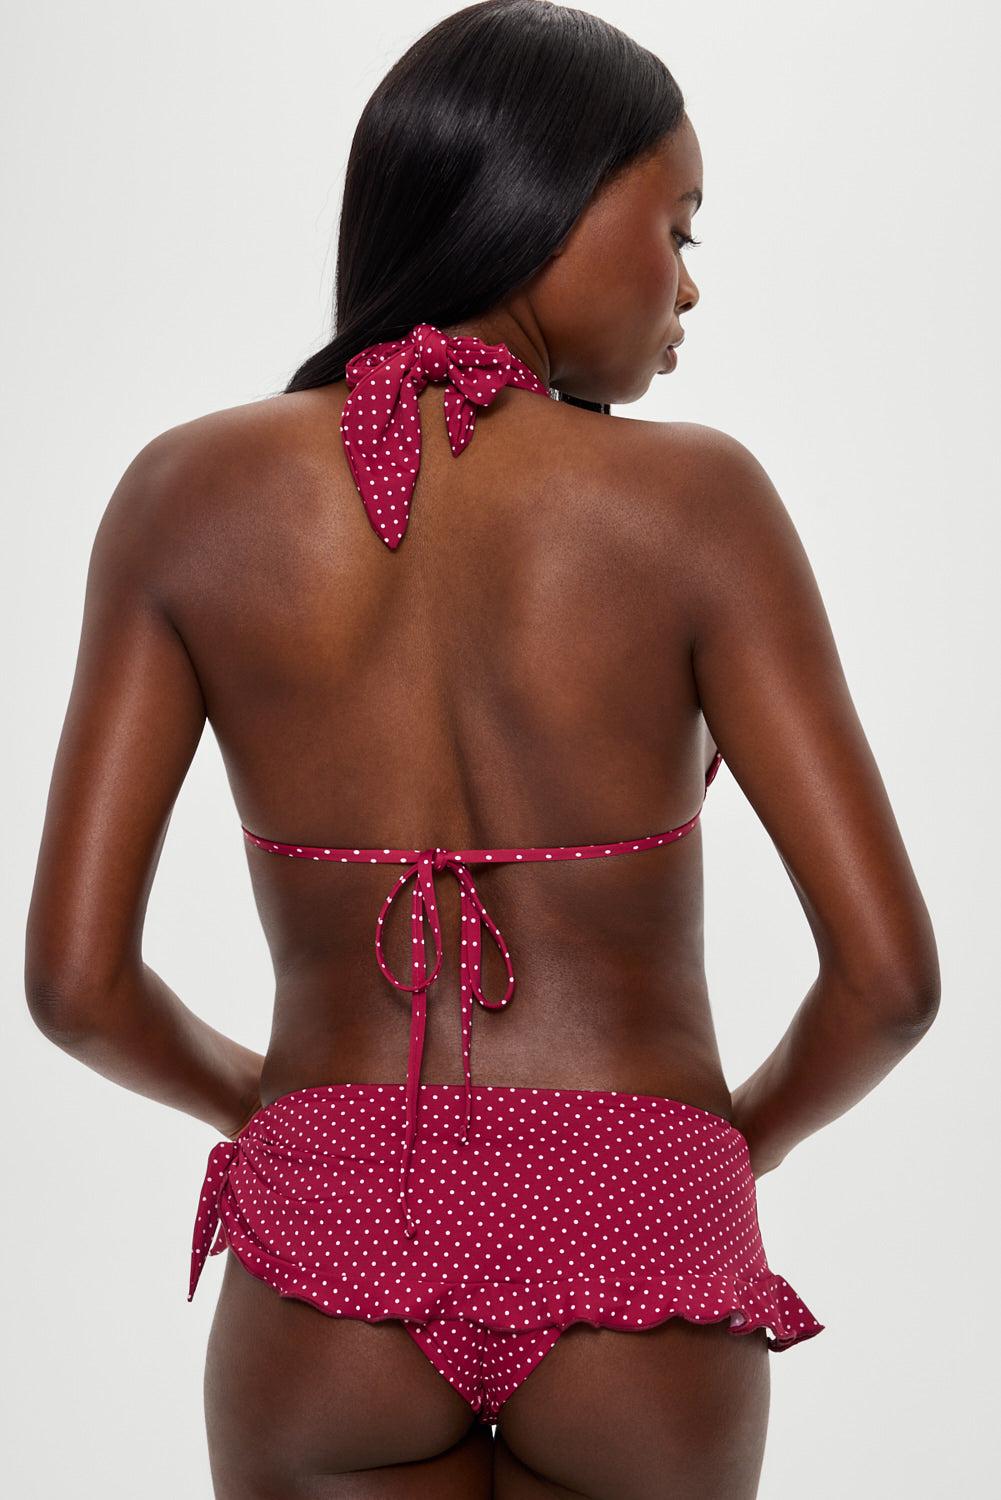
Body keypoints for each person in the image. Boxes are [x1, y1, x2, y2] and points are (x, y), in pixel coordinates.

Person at [24, 2, 940, 1496]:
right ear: (545, 204)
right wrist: (722, 1150)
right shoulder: (699, 505)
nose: (689, 285)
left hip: (333, 1237)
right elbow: (889, 984)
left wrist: (280, 1114)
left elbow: (77, 986)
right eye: (678, 226)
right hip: (639, 1224)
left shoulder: (182, 496)